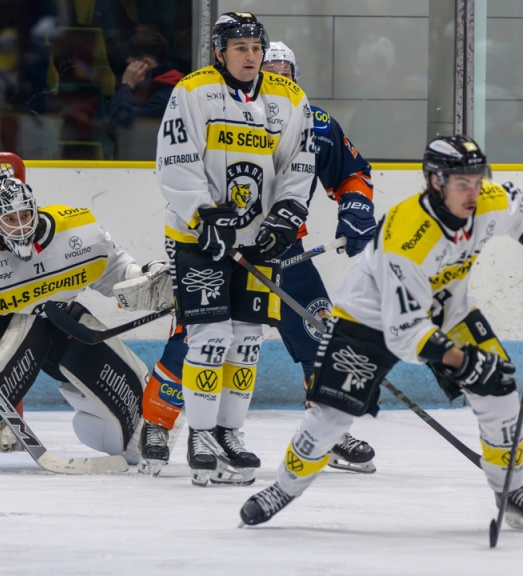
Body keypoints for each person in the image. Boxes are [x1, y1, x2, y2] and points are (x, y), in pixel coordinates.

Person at [239, 135, 523, 533]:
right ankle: (284, 487)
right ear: (435, 182)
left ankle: (510, 490)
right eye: (461, 183)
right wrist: (465, 362)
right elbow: (406, 335)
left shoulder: (487, 198)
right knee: (331, 416)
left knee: (498, 388)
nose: (473, 191)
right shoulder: (408, 238)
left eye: (476, 179)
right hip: (367, 319)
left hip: (447, 309)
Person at [136, 40, 379, 476]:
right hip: (220, 243)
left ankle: (327, 431)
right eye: (272, 67)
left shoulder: (312, 120)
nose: (278, 75)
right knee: (198, 337)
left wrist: (357, 209)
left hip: (287, 250)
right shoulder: (216, 104)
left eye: (286, 69)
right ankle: (157, 422)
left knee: (320, 332)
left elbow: (353, 174)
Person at [0, 176, 172, 471]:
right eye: (11, 218)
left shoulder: (79, 232)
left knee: (93, 347)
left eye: (25, 215)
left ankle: (142, 434)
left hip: (59, 321)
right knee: (26, 336)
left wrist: (143, 276)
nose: (22, 225)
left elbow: (116, 270)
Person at [154, 12, 313, 487]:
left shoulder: (288, 97)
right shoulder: (193, 90)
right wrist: (203, 215)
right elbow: (176, 160)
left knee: (246, 339)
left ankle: (230, 432)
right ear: (220, 52)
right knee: (208, 337)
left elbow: (297, 164)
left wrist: (286, 215)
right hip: (198, 239)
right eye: (240, 47)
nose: (250, 56)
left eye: (256, 47)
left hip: (255, 242)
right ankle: (200, 434)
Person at [108, 28, 184, 129]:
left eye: (130, 67)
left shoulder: (165, 98)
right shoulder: (162, 89)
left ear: (146, 63)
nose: (128, 72)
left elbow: (120, 122)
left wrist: (126, 84)